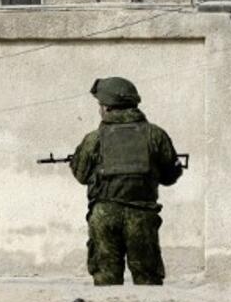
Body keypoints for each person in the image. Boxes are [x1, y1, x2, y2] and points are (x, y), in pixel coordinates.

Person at [69, 77, 184, 286]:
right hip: (142, 216)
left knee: (106, 282)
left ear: (107, 107)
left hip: (104, 216)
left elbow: (81, 175)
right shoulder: (155, 134)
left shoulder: (94, 139)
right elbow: (171, 176)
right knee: (148, 282)